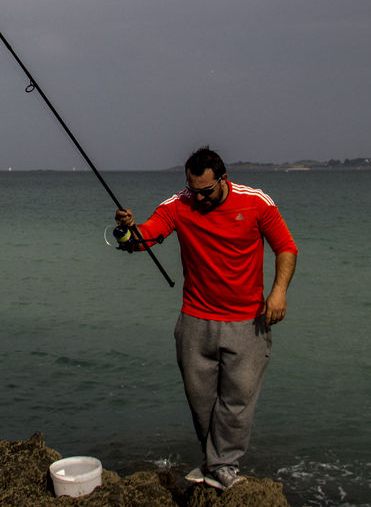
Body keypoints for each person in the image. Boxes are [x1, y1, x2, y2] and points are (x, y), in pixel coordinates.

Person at [114, 146, 297, 491]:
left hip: (247, 322)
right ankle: (214, 461)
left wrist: (279, 292)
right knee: (201, 401)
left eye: (205, 191)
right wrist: (126, 230)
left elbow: (286, 247)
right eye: (192, 189)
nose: (198, 197)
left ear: (222, 179)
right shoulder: (178, 204)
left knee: (237, 400)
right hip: (195, 320)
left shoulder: (256, 202)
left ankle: (224, 464)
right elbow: (143, 239)